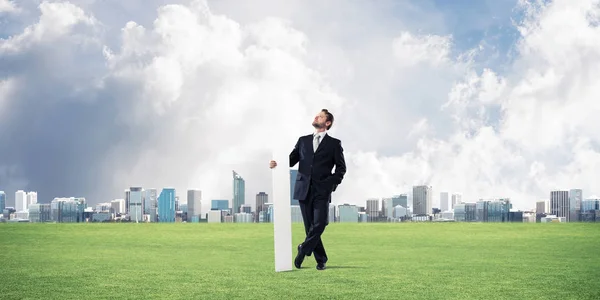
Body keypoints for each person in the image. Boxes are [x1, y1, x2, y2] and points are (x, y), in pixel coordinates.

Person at [269, 109, 346, 270]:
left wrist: (330, 184)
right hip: (303, 189)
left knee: (320, 224)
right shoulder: (303, 141)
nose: (316, 116)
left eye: (321, 116)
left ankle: (303, 249)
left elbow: (341, 169)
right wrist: (276, 163)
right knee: (310, 226)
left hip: (322, 190)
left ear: (327, 123)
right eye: (316, 115)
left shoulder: (334, 144)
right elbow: (290, 160)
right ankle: (321, 259)